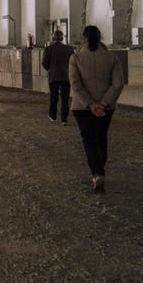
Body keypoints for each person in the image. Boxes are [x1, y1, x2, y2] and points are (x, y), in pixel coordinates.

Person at [69, 24, 125, 194]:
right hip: (105, 108)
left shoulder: (75, 58)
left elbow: (76, 85)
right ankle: (100, 168)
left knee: (88, 139)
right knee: (101, 137)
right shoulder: (111, 58)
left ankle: (97, 173)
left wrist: (90, 104)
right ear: (100, 37)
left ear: (83, 38)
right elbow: (118, 84)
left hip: (82, 107)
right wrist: (103, 103)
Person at [41, 30, 75, 125]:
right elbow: (73, 63)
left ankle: (53, 116)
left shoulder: (48, 49)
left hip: (53, 76)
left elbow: (44, 63)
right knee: (65, 98)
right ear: (62, 38)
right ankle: (64, 119)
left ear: (53, 38)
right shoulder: (69, 49)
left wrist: (50, 69)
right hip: (65, 76)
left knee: (53, 97)